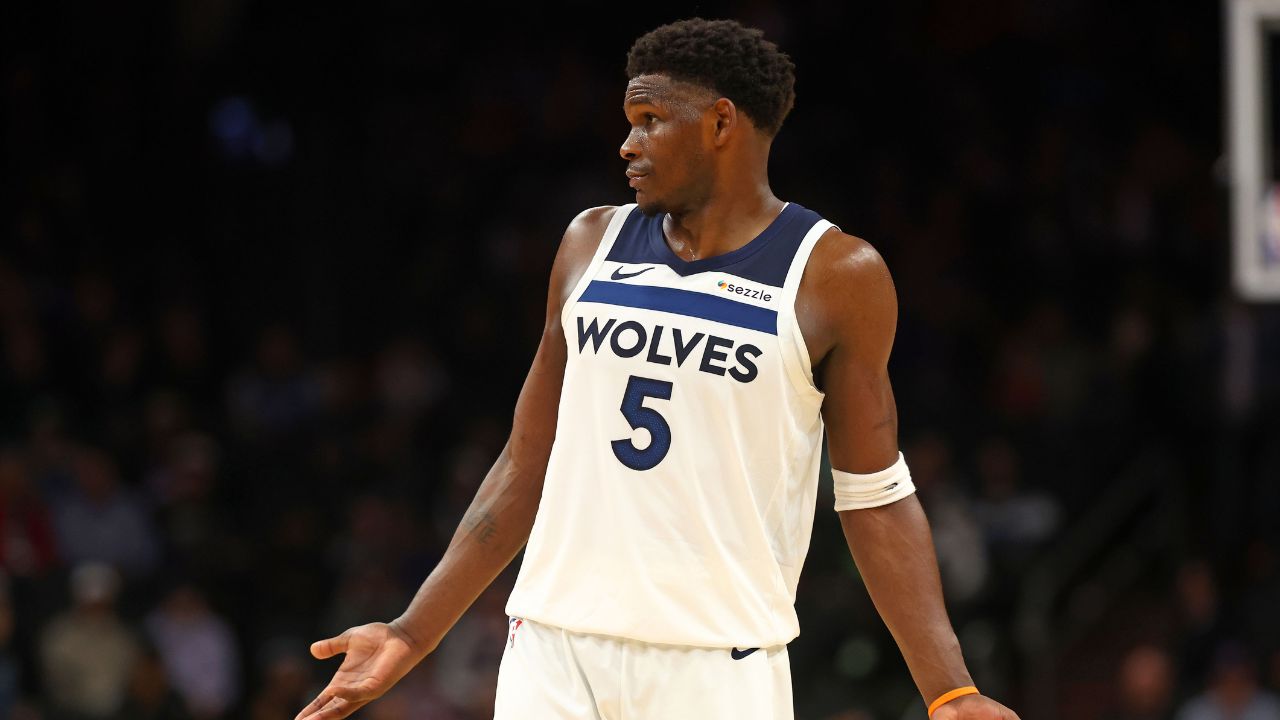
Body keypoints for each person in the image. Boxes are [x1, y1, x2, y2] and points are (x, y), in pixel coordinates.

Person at [296, 18, 1019, 720]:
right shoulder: (591, 241)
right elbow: (527, 457)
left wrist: (949, 691)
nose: (626, 144)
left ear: (720, 123)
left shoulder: (835, 274)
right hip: (551, 648)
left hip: (715, 663)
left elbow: (875, 496)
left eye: (648, 119)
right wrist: (411, 631)